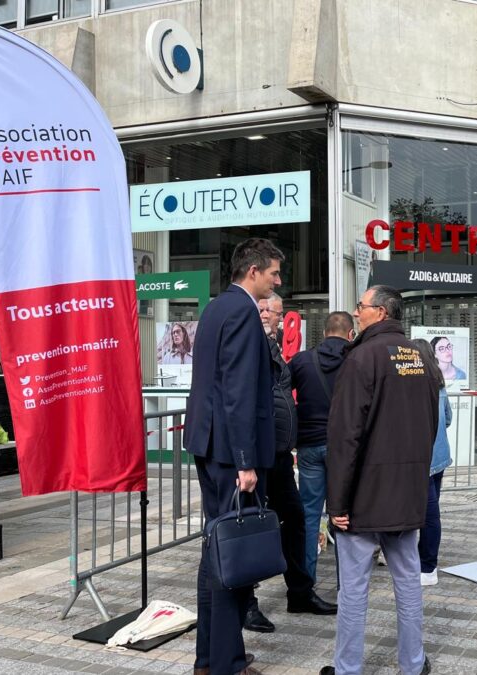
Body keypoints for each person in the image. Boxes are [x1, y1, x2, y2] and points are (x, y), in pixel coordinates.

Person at [322, 285, 438, 675]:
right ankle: (413, 664)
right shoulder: (421, 356)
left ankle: (348, 669)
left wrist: (336, 503)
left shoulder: (362, 357)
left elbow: (344, 436)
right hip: (406, 494)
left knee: (353, 588)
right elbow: (431, 425)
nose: (357, 312)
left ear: (382, 313)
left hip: (364, 498)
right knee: (408, 582)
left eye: (362, 306)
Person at [184, 238, 283, 675]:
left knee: (216, 552)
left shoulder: (215, 307)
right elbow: (238, 391)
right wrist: (246, 461)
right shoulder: (243, 311)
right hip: (230, 453)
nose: (278, 280)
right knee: (231, 556)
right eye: (274, 273)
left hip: (210, 445)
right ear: (253, 272)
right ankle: (226, 663)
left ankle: (210, 659)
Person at [244, 293, 336, 635]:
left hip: (279, 453)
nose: (274, 318)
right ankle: (246, 603)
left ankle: (299, 592)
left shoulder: (271, 345)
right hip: (257, 454)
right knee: (251, 528)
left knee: (295, 518)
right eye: (267, 310)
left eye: (278, 314)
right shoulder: (248, 344)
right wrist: (245, 459)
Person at [290, 311, 354, 590]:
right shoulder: (357, 360)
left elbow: (280, 394)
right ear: (350, 334)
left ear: (325, 332)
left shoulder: (302, 360)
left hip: (309, 446)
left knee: (308, 514)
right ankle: (347, 584)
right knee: (344, 514)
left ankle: (305, 584)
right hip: (344, 449)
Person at [412, 338, 453, 587]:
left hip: (423, 460)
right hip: (439, 457)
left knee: (428, 515)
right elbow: (447, 417)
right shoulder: (438, 382)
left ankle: (428, 567)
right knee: (430, 510)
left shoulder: (414, 384)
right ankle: (423, 562)